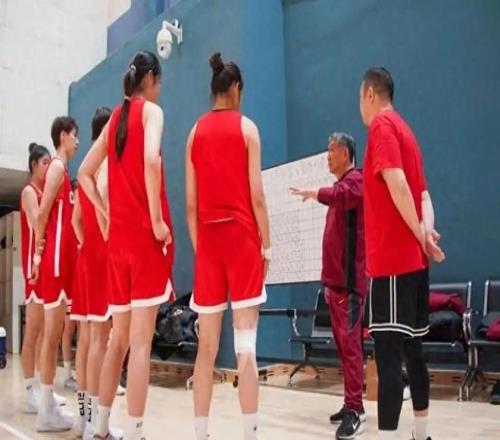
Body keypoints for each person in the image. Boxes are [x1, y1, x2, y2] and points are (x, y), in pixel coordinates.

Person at [78, 50, 175, 440]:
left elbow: (84, 173)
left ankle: (101, 428)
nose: (160, 87)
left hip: (117, 246)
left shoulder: (114, 120)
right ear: (150, 79)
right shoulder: (151, 112)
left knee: (116, 341)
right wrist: (156, 219)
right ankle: (134, 432)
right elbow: (151, 159)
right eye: (159, 80)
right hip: (144, 241)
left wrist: (104, 214)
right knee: (139, 344)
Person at [186, 52, 271, 440]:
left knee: (206, 349)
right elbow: (257, 197)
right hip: (242, 243)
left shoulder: (193, 133)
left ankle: (200, 433)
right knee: (246, 346)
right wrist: (267, 246)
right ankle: (249, 435)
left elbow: (190, 205)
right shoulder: (248, 129)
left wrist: (201, 249)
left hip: (209, 243)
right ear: (236, 88)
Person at [359, 67, 445, 440]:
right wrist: (425, 233)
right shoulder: (407, 132)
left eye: (360, 98)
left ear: (369, 94)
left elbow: (396, 182)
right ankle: (421, 434)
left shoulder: (382, 126)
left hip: (393, 262)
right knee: (414, 352)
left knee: (389, 359)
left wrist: (420, 236)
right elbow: (423, 196)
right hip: (414, 264)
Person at [290, 132, 366, 439]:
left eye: (332, 151)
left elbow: (342, 194)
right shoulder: (341, 188)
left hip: (349, 286)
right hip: (335, 284)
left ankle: (355, 410)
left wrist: (314, 192)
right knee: (343, 348)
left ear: (346, 153)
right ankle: (352, 404)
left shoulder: (356, 182)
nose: (328, 156)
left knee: (351, 348)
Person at [32, 116, 79, 432]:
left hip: (61, 262)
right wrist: (39, 254)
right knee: (51, 335)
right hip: (57, 263)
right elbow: (41, 213)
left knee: (54, 333)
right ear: (63, 136)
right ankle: (45, 410)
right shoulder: (58, 168)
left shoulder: (63, 170)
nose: (77, 141)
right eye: (74, 135)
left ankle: (47, 405)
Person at [70, 106, 113, 437]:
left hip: (85, 259)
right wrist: (102, 244)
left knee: (85, 340)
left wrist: (87, 245)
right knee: (99, 339)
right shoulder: (104, 164)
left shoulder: (85, 166)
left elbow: (75, 222)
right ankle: (96, 422)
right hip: (100, 258)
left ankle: (82, 418)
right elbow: (104, 216)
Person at [20, 143, 52, 413]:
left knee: (44, 331)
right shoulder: (29, 192)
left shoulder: (45, 191)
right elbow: (36, 223)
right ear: (33, 165)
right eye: (45, 163)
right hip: (34, 267)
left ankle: (42, 386)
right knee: (32, 330)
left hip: (46, 267)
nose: (48, 168)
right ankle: (29, 389)